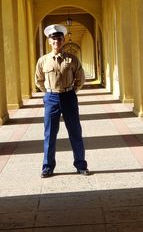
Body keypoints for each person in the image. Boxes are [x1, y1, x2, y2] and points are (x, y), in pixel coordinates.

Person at [35, 24, 89, 178]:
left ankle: (81, 165)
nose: (56, 41)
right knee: (50, 134)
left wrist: (71, 92)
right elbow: (38, 80)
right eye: (53, 39)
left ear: (63, 40)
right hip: (51, 98)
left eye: (59, 38)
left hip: (68, 96)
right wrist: (49, 93)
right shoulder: (43, 61)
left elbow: (80, 79)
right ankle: (47, 167)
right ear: (49, 41)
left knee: (75, 132)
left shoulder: (72, 59)